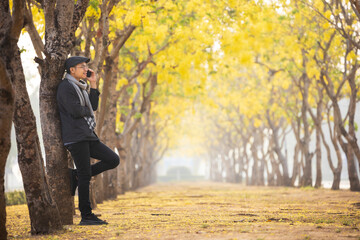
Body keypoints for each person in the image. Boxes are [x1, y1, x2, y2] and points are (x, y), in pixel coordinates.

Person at [57, 56, 120, 225]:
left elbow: (92, 106)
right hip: (76, 137)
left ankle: (76, 175)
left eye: (86, 66)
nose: (86, 69)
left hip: (87, 135)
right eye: (82, 66)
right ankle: (86, 216)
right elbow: (75, 111)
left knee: (113, 159)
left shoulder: (82, 87)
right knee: (86, 176)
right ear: (72, 70)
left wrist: (93, 84)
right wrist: (84, 108)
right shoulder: (66, 87)